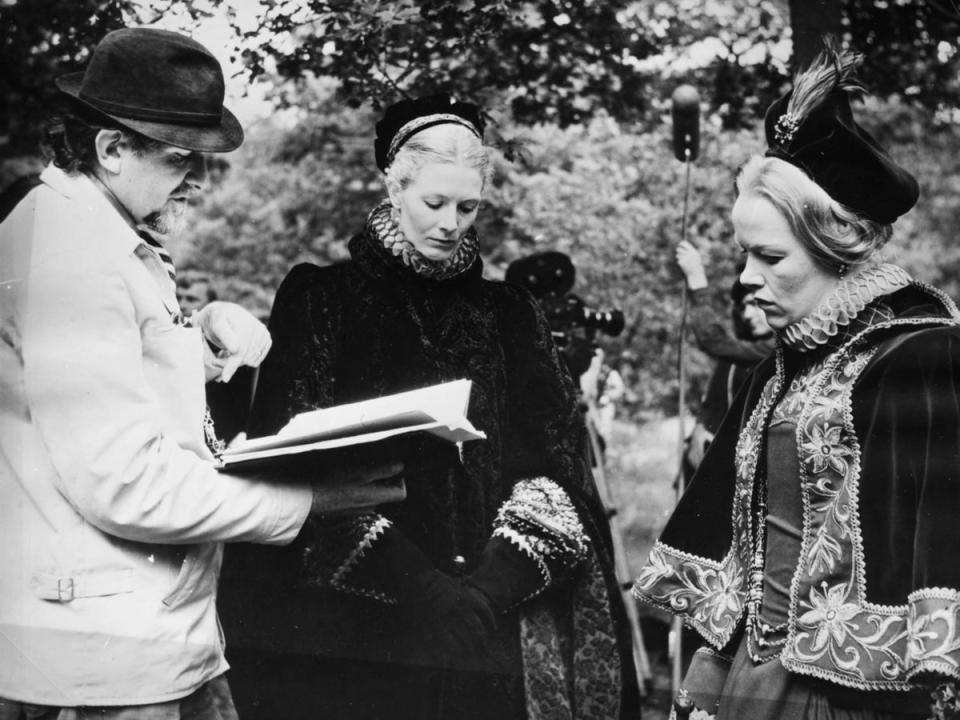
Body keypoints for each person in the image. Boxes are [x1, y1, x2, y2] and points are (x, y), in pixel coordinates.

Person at [0, 28, 405, 718]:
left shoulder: (94, 230)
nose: (197, 179)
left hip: (133, 627)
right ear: (111, 148)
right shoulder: (72, 255)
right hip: (106, 649)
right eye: (182, 158)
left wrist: (202, 338)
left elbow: (100, 391)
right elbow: (126, 484)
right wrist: (309, 503)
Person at [218, 94, 641, 720]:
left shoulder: (511, 314)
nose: (450, 223)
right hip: (360, 621)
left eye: (467, 207)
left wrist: (488, 591)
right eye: (433, 203)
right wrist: (422, 587)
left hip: (492, 618)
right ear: (394, 184)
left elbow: (557, 459)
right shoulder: (323, 298)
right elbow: (291, 456)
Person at [634, 44, 960, 720]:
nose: (746, 277)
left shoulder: (924, 357)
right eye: (743, 252)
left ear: (835, 251)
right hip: (747, 683)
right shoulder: (780, 366)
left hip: (848, 698)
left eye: (769, 256)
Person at [676, 242, 775, 470]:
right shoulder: (745, 350)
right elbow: (715, 395)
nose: (748, 315)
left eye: (755, 304)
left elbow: (715, 341)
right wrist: (703, 425)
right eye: (744, 307)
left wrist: (697, 280)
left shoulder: (777, 348)